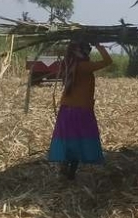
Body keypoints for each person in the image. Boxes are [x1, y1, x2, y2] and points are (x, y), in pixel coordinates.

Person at [48, 41, 113, 180]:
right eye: (87, 50)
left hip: (66, 109)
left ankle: (66, 168)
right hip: (81, 110)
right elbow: (108, 61)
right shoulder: (84, 66)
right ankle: (70, 171)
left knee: (69, 140)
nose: (88, 52)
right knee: (79, 140)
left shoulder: (68, 63)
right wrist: (99, 45)